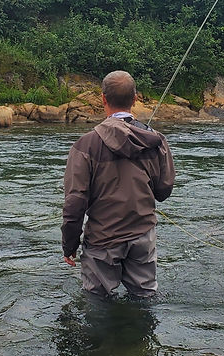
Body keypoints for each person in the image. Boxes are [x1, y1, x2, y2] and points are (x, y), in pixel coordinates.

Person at [61, 70, 175, 298]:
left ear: (103, 99)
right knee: (144, 300)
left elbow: (75, 203)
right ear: (135, 99)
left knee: (97, 303)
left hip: (102, 240)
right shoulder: (156, 141)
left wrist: (69, 246)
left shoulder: (84, 146)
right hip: (143, 235)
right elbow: (163, 191)